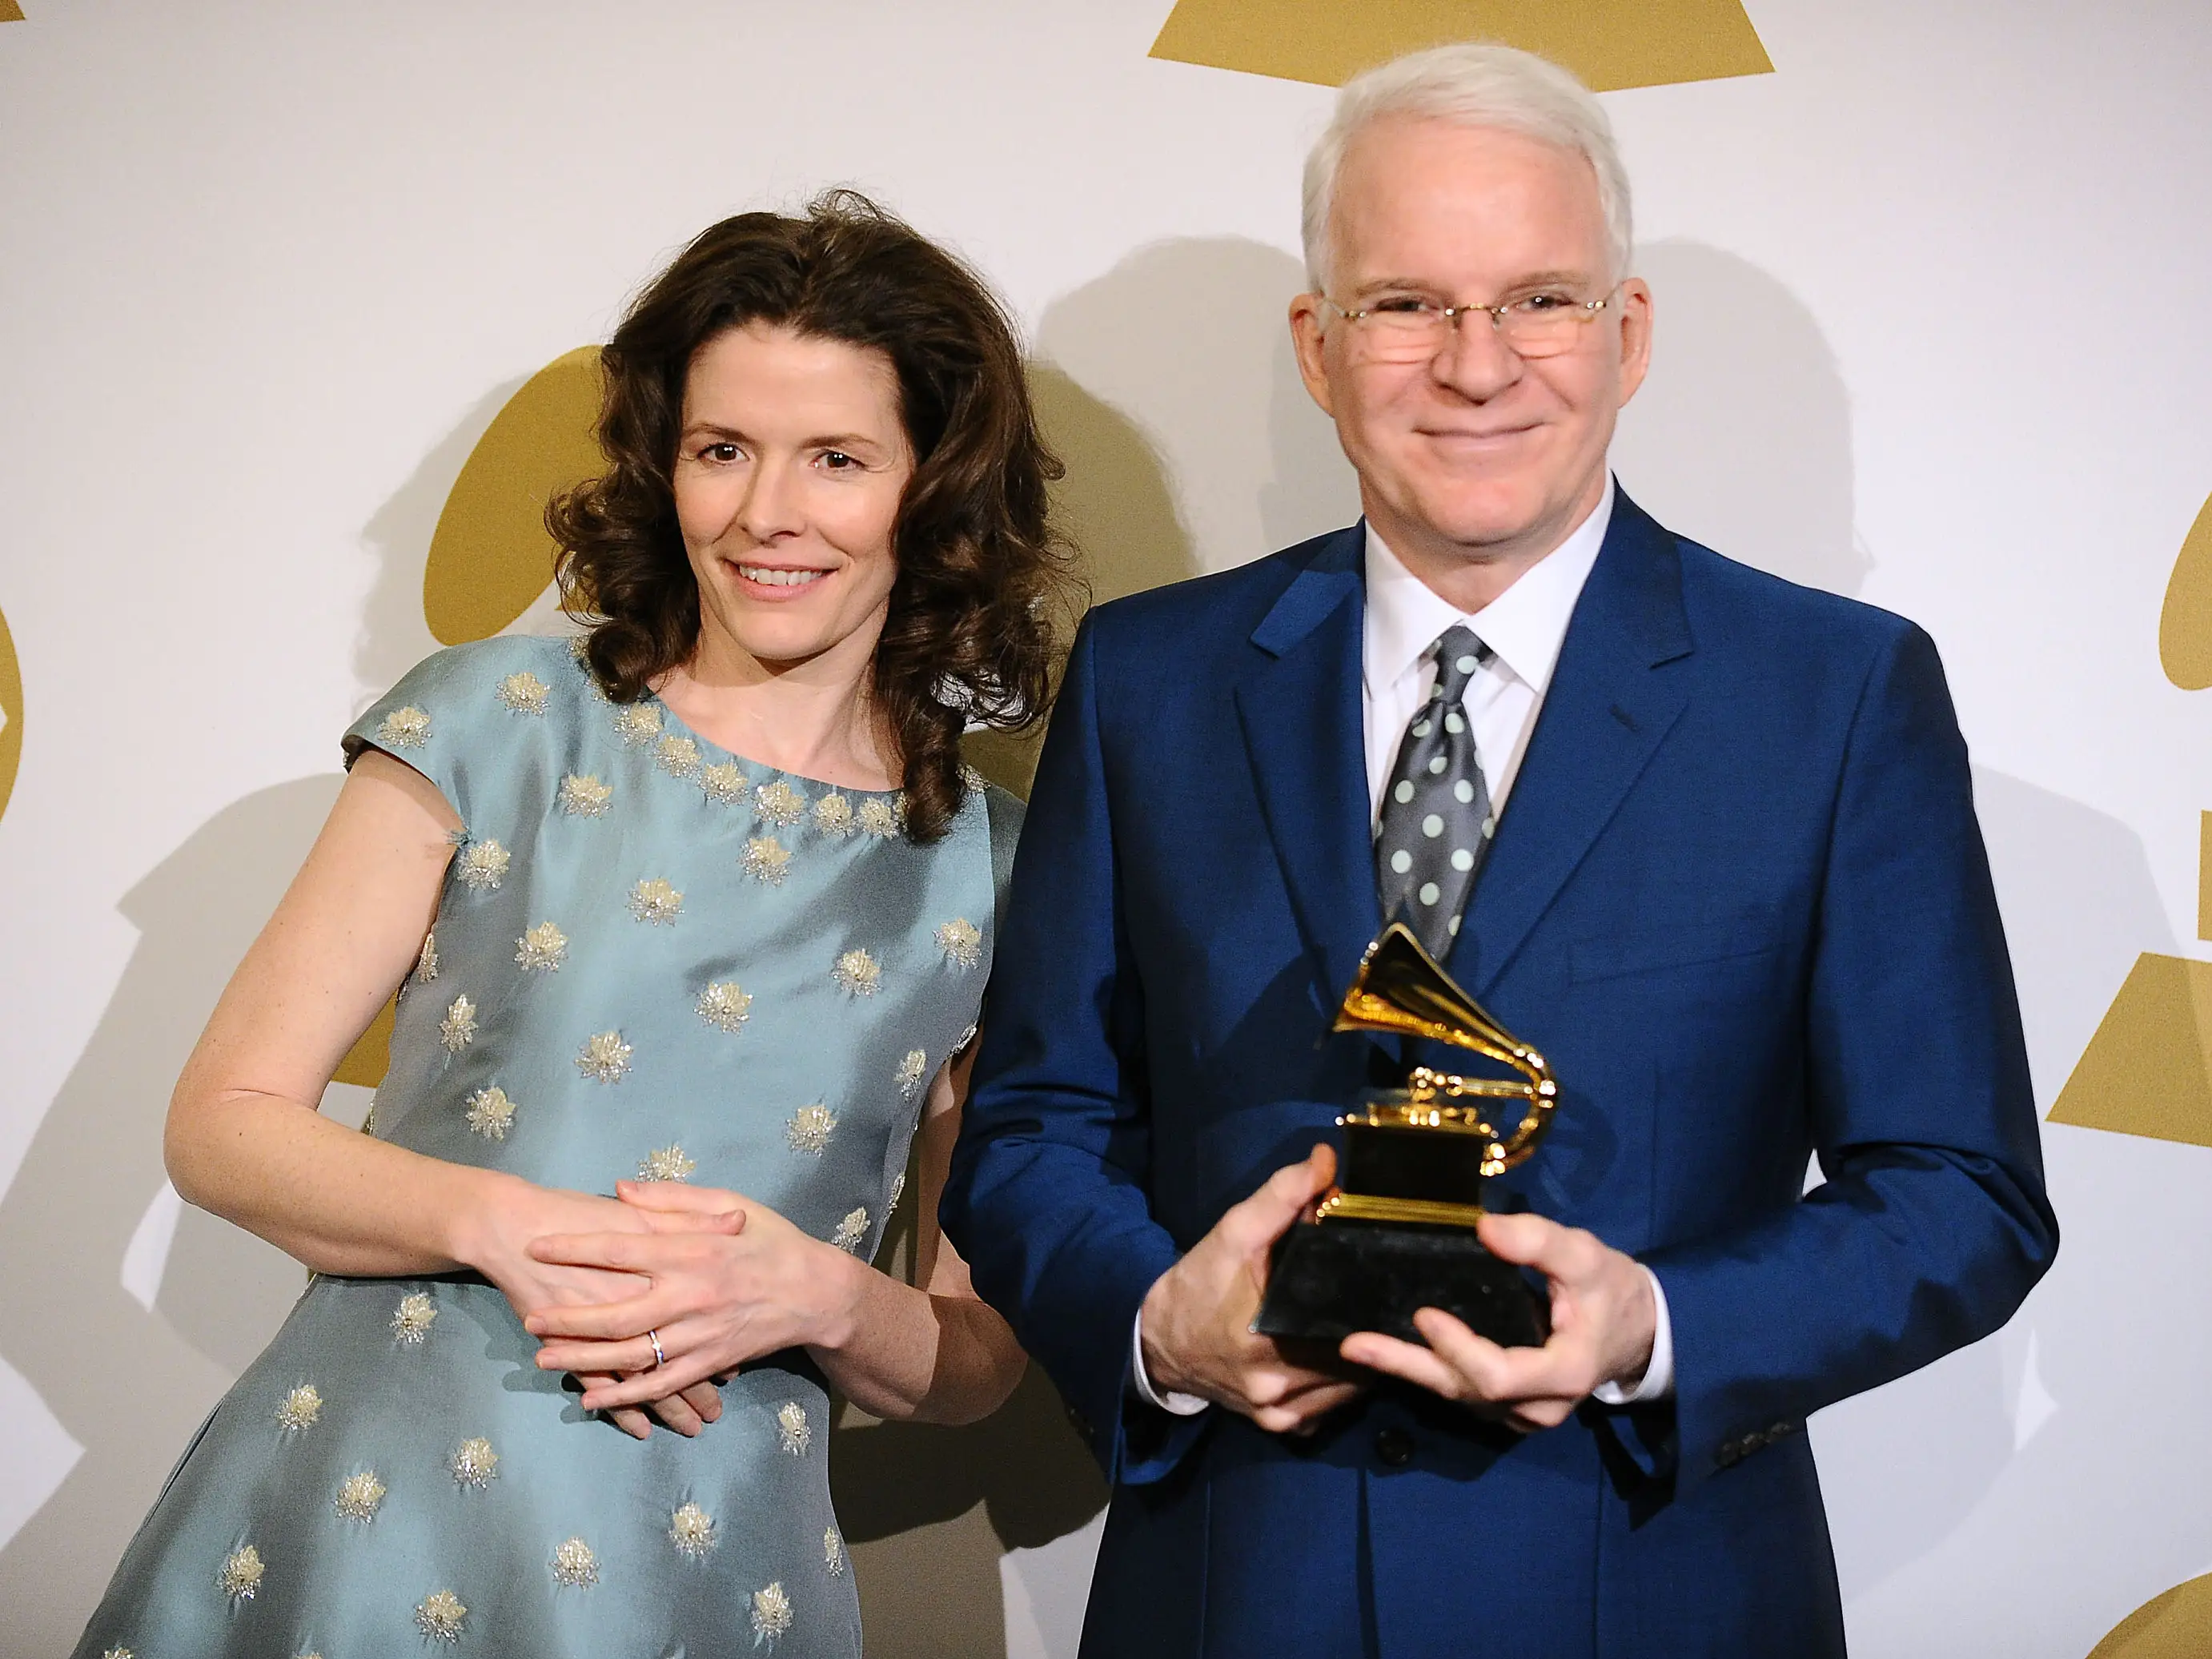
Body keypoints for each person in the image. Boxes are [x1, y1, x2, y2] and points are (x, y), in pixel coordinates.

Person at [943, 42, 2057, 1658]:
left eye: (1540, 297)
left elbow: (1959, 1193)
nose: (1478, 366)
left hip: (1654, 1590)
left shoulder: (1833, 694)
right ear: (1321, 351)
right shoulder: (1148, 681)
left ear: (1628, 336)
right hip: (1237, 1591)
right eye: (1406, 305)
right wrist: (1161, 1323)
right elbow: (1035, 1125)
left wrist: (1653, 1325)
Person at [75, 190, 1066, 1659]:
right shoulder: (498, 723)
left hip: (713, 1569)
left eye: (837, 460)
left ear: (933, 489)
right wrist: (509, 1225)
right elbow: (223, 1122)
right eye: (720, 450)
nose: (763, 514)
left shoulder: (993, 868)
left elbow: (977, 1360)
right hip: (361, 1511)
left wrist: (815, 1293)